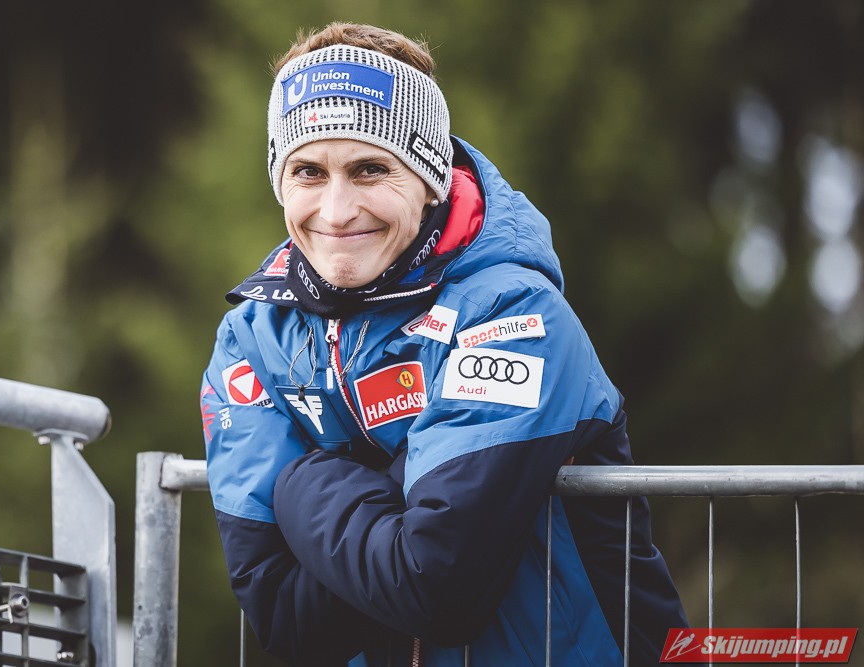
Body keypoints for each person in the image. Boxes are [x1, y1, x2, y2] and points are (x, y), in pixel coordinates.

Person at [200, 22, 687, 666]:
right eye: (308, 171)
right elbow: (286, 615)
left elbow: (433, 584)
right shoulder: (251, 336)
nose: (336, 210)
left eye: (371, 169)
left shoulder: (513, 310)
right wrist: (398, 496)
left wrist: (300, 481)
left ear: (431, 178)